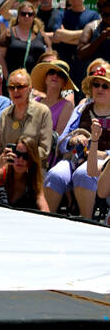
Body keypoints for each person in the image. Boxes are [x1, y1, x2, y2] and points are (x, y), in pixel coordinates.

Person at [42, 59, 110, 217]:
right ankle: (45, 221)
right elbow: (62, 140)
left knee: (83, 174)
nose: (100, 89)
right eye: (96, 85)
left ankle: (87, 222)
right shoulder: (81, 109)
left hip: (104, 165)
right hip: (75, 158)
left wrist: (105, 154)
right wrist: (72, 141)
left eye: (105, 86)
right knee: (55, 175)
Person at [0, 68, 52, 164]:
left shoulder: (42, 112)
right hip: (7, 165)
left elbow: (44, 150)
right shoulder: (5, 114)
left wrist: (20, 157)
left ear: (29, 89)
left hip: (32, 167)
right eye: (11, 87)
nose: (15, 91)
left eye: (20, 87)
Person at [0, 137, 46, 210]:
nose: (20, 159)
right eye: (17, 154)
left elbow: (43, 205)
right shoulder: (0, 173)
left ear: (32, 160)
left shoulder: (33, 181)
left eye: (26, 156)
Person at [50, 0, 95, 81]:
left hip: (84, 63)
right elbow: (57, 36)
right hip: (64, 61)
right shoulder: (62, 15)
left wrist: (65, 35)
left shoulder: (93, 15)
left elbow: (93, 38)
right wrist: (85, 35)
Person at [31, 56, 77, 147]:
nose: (55, 76)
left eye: (60, 74)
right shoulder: (34, 101)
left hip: (46, 152)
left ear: (64, 83)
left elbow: (57, 137)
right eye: (51, 72)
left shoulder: (67, 106)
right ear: (45, 78)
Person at [0, 1, 49, 78]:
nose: (27, 16)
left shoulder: (41, 34)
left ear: (34, 16)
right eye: (23, 14)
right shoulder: (9, 33)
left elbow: (48, 53)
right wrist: (7, 76)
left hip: (36, 80)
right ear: (18, 16)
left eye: (30, 14)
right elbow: (0, 56)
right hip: (14, 81)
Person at [74, 0, 110, 70]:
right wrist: (100, 39)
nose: (109, 18)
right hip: (95, 75)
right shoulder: (92, 27)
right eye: (106, 15)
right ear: (100, 12)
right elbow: (80, 54)